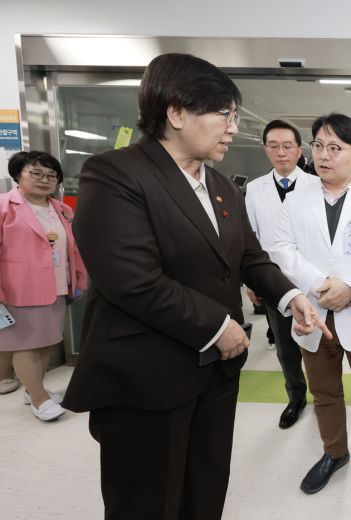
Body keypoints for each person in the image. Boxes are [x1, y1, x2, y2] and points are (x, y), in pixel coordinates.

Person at [62, 53, 329, 520]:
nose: (233, 128)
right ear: (176, 113)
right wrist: (219, 326)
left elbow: (248, 256)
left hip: (215, 374)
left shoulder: (222, 185)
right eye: (224, 114)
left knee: (204, 489)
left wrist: (291, 296)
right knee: (147, 503)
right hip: (147, 377)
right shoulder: (115, 174)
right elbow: (132, 280)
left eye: (234, 116)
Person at [270, 113, 351, 512]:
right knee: (325, 393)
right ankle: (335, 452)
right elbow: (281, 249)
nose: (323, 155)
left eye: (334, 148)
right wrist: (321, 283)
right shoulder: (296, 199)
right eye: (318, 146)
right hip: (314, 315)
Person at [0, 151, 88, 421]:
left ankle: (33, 389)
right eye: (36, 173)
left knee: (46, 342)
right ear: (18, 175)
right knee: (26, 344)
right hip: (18, 288)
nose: (44, 179)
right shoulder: (4, 206)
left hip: (57, 286)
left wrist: (78, 279)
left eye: (51, 175)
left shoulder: (62, 209)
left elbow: (72, 248)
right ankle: (39, 399)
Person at [244, 119, 318, 429]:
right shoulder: (254, 189)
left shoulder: (316, 185)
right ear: (266, 150)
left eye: (288, 146)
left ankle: (324, 396)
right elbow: (249, 237)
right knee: (286, 349)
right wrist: (251, 281)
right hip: (274, 281)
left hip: (312, 280)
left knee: (317, 345)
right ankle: (296, 397)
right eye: (273, 146)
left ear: (300, 151)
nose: (281, 152)